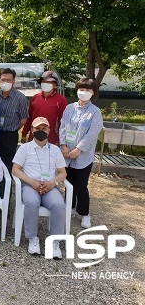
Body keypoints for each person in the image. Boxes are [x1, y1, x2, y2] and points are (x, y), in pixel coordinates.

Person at [12, 117, 67, 259]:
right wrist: (32, 182)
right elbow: (15, 169)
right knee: (31, 202)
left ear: (49, 130)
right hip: (30, 186)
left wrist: (53, 183)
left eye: (44, 128)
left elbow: (63, 172)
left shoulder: (55, 150)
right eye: (37, 128)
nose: (40, 131)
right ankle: (32, 238)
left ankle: (55, 241)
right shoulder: (24, 148)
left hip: (50, 186)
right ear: (32, 130)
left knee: (59, 204)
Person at [59, 78, 103, 229]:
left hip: (82, 155)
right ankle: (69, 208)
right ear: (77, 90)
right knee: (68, 183)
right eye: (81, 89)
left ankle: (84, 214)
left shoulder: (95, 112)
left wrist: (78, 149)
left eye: (88, 90)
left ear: (93, 93)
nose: (83, 93)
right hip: (66, 153)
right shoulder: (70, 108)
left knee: (81, 185)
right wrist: (63, 145)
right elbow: (63, 127)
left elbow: (92, 133)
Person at [0, 68, 28, 197]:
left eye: (8, 80)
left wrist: (12, 128)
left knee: (7, 166)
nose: (5, 82)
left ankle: (4, 197)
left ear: (13, 81)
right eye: (3, 79)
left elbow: (23, 119)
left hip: (10, 135)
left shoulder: (20, 98)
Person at [21, 71, 68, 145]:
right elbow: (29, 118)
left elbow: (63, 122)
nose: (46, 84)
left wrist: (59, 140)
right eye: (44, 81)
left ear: (55, 85)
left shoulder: (61, 100)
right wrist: (24, 134)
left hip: (52, 139)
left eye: (49, 82)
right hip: (34, 137)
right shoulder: (35, 98)